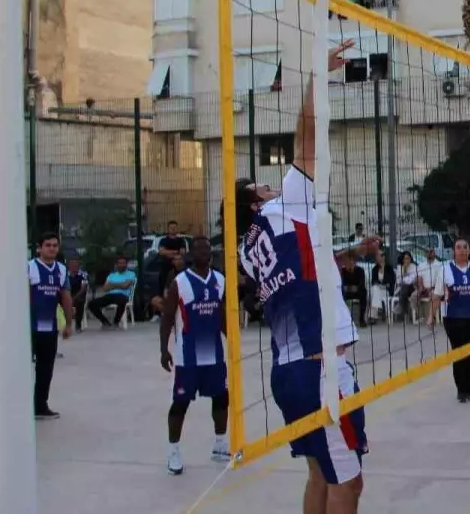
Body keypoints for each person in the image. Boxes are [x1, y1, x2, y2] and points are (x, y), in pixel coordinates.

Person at [236, 39, 370, 514]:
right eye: (261, 182)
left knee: (319, 472)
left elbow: (308, 263)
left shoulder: (249, 247)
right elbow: (307, 140)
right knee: (348, 485)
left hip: (286, 371)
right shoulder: (286, 203)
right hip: (322, 367)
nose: (271, 180)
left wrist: (350, 253)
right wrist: (318, 75)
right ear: (256, 200)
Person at [160, 236, 229, 474]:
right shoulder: (180, 282)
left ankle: (220, 445)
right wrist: (163, 349)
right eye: (199, 249)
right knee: (180, 404)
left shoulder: (220, 280)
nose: (205, 252)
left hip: (214, 356)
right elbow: (167, 317)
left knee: (221, 398)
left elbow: (223, 317)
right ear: (192, 254)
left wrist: (234, 342)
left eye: (208, 249)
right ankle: (174, 451)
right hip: (186, 357)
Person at [430, 239, 470, 402]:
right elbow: (437, 296)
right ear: (453, 251)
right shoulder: (445, 269)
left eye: (465, 247)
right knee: (459, 353)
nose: (462, 250)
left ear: (469, 250)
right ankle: (461, 389)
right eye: (459, 247)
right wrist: (431, 315)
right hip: (453, 318)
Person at [28, 233, 74, 419]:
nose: (52, 248)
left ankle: (40, 407)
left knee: (45, 369)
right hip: (27, 328)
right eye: (48, 245)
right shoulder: (29, 267)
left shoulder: (61, 270)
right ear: (39, 248)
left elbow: (66, 297)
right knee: (19, 368)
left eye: (55, 245)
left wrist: (68, 324)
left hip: (48, 327)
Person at [89, 255, 136, 328]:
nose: (121, 265)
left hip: (123, 295)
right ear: (116, 265)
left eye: (123, 263)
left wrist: (112, 285)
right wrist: (119, 285)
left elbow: (125, 286)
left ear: (126, 264)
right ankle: (105, 322)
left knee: (122, 301)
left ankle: (116, 322)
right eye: (120, 263)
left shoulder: (131, 274)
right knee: (91, 304)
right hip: (110, 295)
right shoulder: (111, 275)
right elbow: (105, 288)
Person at [152, 220, 186, 319]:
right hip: (165, 269)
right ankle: (159, 313)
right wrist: (175, 252)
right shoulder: (163, 240)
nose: (173, 229)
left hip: (178, 270)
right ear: (168, 229)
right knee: (162, 290)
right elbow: (162, 252)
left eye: (175, 227)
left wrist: (169, 253)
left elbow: (183, 252)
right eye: (171, 228)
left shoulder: (181, 240)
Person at [337, 251, 369, 327]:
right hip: (347, 293)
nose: (350, 263)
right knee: (340, 295)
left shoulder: (360, 270)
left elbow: (361, 285)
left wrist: (351, 288)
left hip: (357, 293)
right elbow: (342, 285)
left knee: (363, 293)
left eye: (352, 261)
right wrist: (352, 287)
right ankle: (344, 320)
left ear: (355, 262)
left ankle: (361, 319)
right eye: (348, 262)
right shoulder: (343, 271)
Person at [369, 249, 395, 322]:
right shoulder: (374, 269)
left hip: (386, 291)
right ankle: (373, 315)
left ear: (383, 257)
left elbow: (391, 281)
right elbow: (373, 282)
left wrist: (382, 284)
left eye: (379, 256)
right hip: (376, 289)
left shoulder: (389, 268)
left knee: (375, 290)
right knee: (375, 289)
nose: (377, 258)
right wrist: (379, 284)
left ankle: (373, 316)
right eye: (376, 256)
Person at [394, 251, 420, 322]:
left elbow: (411, 280)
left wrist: (404, 279)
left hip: (412, 288)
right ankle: (404, 310)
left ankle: (400, 305)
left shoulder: (414, 267)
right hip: (401, 289)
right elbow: (398, 281)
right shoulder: (400, 268)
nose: (407, 261)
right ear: (402, 260)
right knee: (404, 286)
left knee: (406, 285)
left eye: (408, 259)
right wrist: (404, 271)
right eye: (405, 259)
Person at [65, 256, 89, 332]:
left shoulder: (84, 275)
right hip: (67, 294)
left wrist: (73, 299)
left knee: (79, 301)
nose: (74, 266)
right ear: (69, 266)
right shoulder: (65, 275)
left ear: (79, 265)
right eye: (72, 264)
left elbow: (83, 289)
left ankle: (78, 325)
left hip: (79, 294)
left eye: (76, 264)